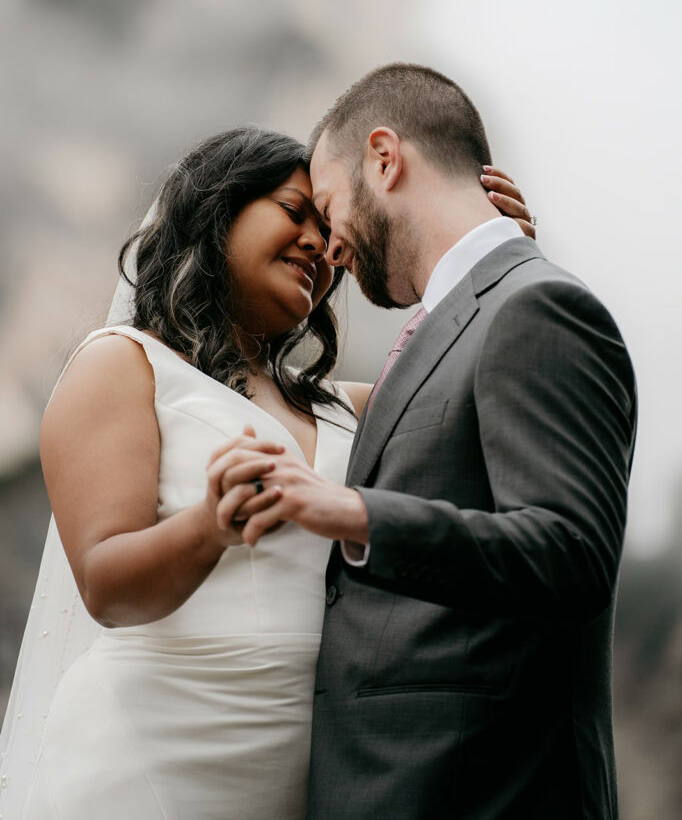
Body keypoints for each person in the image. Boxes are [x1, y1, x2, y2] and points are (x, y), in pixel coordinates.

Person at [0, 123, 531, 819]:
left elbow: (480, 386)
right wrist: (207, 526)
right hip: (147, 767)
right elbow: (106, 586)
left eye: (328, 227)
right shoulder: (124, 364)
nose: (318, 242)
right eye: (291, 211)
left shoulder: (353, 408)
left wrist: (496, 258)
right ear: (219, 210)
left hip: (305, 784)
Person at [211, 64, 637, 820]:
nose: (329, 250)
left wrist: (355, 514)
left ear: (385, 157)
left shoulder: (538, 308)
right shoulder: (460, 324)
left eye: (331, 205)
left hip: (482, 793)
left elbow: (570, 553)